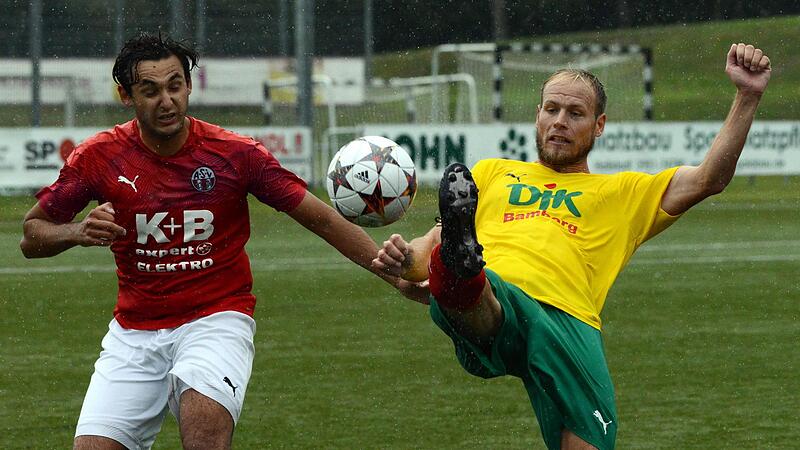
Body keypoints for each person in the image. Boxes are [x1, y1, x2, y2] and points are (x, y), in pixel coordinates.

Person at [20, 32, 425, 450]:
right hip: (134, 332)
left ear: (190, 85)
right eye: (150, 90)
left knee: (203, 423)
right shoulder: (98, 157)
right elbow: (32, 235)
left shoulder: (234, 153)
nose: (167, 101)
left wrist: (397, 277)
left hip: (215, 319)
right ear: (126, 96)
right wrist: (75, 231)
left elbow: (321, 219)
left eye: (175, 85)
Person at [373, 43, 771, 449]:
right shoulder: (492, 172)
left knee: (589, 442)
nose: (559, 121)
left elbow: (709, 179)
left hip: (571, 321)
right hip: (500, 290)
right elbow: (432, 240)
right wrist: (405, 259)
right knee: (468, 275)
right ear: (537, 115)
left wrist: (747, 95)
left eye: (575, 113)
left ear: (599, 125)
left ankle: (458, 276)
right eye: (551, 109)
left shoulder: (623, 191)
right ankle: (461, 275)